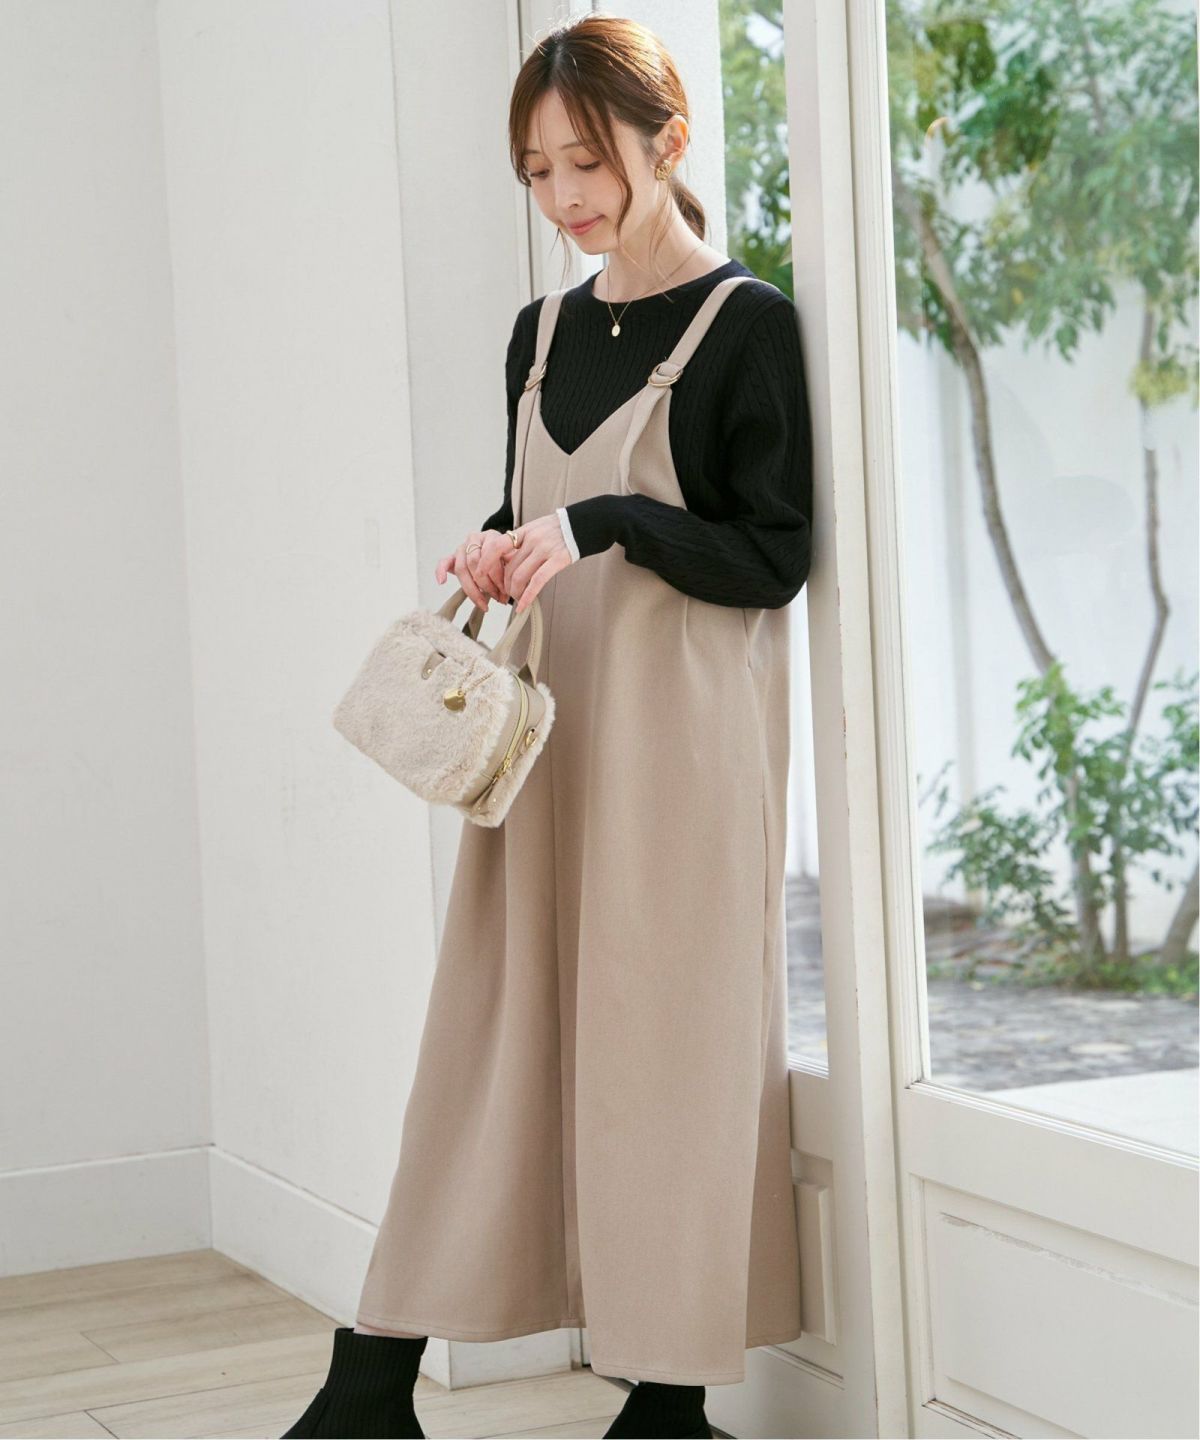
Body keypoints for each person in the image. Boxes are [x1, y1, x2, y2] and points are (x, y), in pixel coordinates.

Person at [282, 12, 812, 1440]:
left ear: (667, 141)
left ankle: (666, 1401)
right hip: (540, 742)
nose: (565, 196)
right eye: (536, 170)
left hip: (682, 753)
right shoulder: (541, 333)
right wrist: (498, 541)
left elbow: (773, 555)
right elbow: (539, 509)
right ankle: (372, 1376)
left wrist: (610, 521)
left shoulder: (746, 327)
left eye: (587, 160)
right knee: (487, 1038)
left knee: (671, 1051)